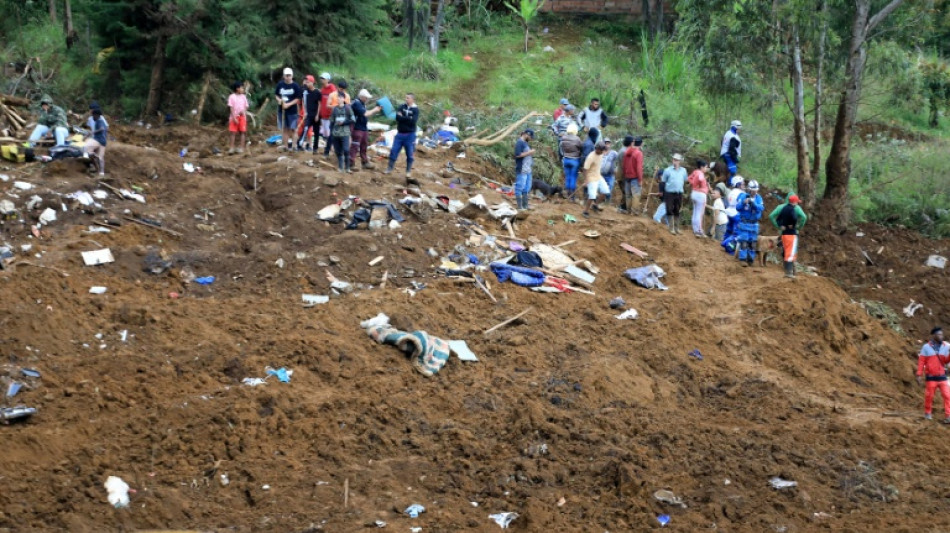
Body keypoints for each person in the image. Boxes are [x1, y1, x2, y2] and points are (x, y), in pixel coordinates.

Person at [769, 193, 808, 278]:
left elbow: (771, 216)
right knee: (792, 251)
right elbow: (804, 217)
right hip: (792, 233)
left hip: (783, 233)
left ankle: (787, 270)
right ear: (794, 201)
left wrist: (778, 226)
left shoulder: (781, 207)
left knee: (785, 251)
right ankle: (791, 272)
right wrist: (798, 227)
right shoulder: (796, 208)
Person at [917, 327, 950, 423]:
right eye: (939, 335)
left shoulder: (945, 346)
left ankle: (948, 416)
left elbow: (945, 361)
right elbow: (921, 361)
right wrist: (919, 374)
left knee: (947, 396)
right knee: (929, 396)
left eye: (942, 335)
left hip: (942, 377)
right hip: (931, 377)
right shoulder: (926, 347)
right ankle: (928, 413)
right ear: (934, 336)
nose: (941, 336)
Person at [385, 93, 420, 180]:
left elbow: (413, 121)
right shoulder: (402, 106)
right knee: (394, 150)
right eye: (406, 98)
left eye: (408, 98)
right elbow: (397, 118)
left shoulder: (416, 109)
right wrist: (408, 118)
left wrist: (403, 117)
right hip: (400, 133)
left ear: (412, 99)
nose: (406, 99)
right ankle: (389, 168)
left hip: (410, 135)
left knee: (409, 153)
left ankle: (408, 171)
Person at [734, 179, 764, 265]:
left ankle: (750, 259)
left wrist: (753, 204)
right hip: (744, 223)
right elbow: (737, 207)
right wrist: (744, 203)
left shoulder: (759, 198)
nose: (754, 192)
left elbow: (761, 208)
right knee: (744, 241)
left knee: (752, 243)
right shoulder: (743, 196)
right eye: (753, 190)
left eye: (756, 190)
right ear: (749, 189)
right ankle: (743, 259)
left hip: (754, 224)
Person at [350, 89, 381, 170]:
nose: (367, 99)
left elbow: (366, 112)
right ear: (362, 97)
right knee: (355, 145)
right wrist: (375, 110)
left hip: (363, 128)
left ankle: (365, 162)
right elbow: (365, 113)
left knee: (364, 145)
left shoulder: (362, 104)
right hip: (357, 128)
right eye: (366, 97)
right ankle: (351, 163)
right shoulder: (357, 103)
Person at [275, 68, 302, 151]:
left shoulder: (295, 86)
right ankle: (285, 146)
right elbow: (276, 95)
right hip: (282, 111)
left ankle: (294, 146)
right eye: (286, 75)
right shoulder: (280, 85)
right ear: (284, 76)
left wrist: (288, 104)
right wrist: (280, 101)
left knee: (293, 129)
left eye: (289, 75)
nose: (288, 77)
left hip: (292, 111)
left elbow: (298, 98)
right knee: (285, 129)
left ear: (292, 76)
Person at [660, 153, 688, 234]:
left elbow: (685, 180)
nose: (675, 161)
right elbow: (663, 182)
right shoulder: (667, 170)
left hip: (679, 192)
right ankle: (671, 228)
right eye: (674, 159)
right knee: (669, 209)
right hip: (669, 193)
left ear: (680, 161)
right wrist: (662, 192)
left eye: (677, 160)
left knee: (677, 209)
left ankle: (677, 228)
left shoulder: (683, 170)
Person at [329, 89, 355, 173]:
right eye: (338, 97)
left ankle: (347, 168)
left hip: (345, 133)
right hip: (336, 133)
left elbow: (353, 120)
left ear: (344, 99)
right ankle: (340, 167)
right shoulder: (334, 109)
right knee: (338, 151)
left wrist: (344, 123)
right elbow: (332, 121)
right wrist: (331, 133)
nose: (339, 99)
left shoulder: (348, 108)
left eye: (340, 97)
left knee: (346, 150)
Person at [582, 142, 609, 218]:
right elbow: (585, 169)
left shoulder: (600, 154)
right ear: (597, 149)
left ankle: (595, 205)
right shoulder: (590, 157)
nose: (603, 152)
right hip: (591, 177)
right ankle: (585, 211)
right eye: (602, 150)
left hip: (598, 176)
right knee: (592, 195)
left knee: (605, 191)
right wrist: (586, 180)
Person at [559, 123, 583, 200]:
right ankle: (572, 196)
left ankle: (567, 193)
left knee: (568, 177)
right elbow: (581, 148)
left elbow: (561, 148)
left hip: (566, 159)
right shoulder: (577, 139)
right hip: (575, 160)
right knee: (573, 178)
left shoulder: (563, 138)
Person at [620, 136, 644, 214]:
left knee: (628, 195)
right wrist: (640, 180)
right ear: (641, 144)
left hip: (627, 176)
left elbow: (624, 165)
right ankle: (634, 212)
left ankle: (628, 210)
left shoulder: (627, 151)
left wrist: (624, 174)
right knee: (636, 195)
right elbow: (639, 168)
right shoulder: (638, 153)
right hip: (635, 177)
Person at [514, 129, 536, 210]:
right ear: (526, 134)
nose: (531, 138)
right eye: (530, 137)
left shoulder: (525, 143)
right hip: (522, 168)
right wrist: (530, 152)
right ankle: (520, 207)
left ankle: (525, 205)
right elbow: (517, 155)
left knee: (527, 188)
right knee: (520, 187)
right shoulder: (519, 143)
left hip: (528, 169)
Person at [317, 72, 338, 157]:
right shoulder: (322, 89)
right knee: (325, 133)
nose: (322, 80)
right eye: (321, 78)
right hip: (323, 114)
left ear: (328, 79)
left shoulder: (332, 89)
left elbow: (335, 101)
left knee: (330, 133)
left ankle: (332, 150)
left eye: (324, 78)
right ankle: (329, 149)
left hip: (330, 115)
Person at [687, 159, 710, 237]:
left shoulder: (695, 172)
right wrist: (701, 184)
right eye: (706, 167)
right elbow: (700, 179)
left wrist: (694, 184)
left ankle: (695, 229)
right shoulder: (701, 173)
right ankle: (699, 230)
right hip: (700, 194)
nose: (706, 169)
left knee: (695, 212)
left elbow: (689, 178)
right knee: (699, 213)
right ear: (702, 167)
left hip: (694, 193)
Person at [83, 107, 108, 175]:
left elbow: (101, 129)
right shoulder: (103, 122)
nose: (92, 117)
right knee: (101, 157)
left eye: (93, 115)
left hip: (98, 140)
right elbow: (104, 130)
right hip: (103, 142)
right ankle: (101, 172)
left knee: (86, 147)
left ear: (96, 115)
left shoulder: (99, 121)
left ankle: (91, 154)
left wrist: (91, 133)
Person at [300, 75, 321, 152]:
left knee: (316, 132)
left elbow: (319, 104)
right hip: (308, 115)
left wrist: (317, 115)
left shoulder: (317, 92)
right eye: (306, 82)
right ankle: (300, 144)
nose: (307, 84)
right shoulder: (305, 92)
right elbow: (303, 101)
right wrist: (305, 111)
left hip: (315, 115)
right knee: (305, 129)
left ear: (312, 83)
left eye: (308, 82)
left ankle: (315, 148)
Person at [227, 82, 249, 154]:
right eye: (242, 88)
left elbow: (246, 106)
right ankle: (231, 147)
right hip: (234, 117)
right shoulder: (231, 97)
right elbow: (231, 108)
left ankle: (242, 147)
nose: (243, 89)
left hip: (242, 117)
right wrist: (234, 117)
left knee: (242, 132)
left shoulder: (243, 97)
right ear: (237, 89)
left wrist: (244, 112)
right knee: (233, 132)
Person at [599, 138, 620, 207]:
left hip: (610, 175)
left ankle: (607, 202)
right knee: (601, 188)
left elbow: (620, 159)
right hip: (601, 175)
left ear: (610, 144)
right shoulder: (600, 152)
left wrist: (616, 168)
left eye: (608, 143)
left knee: (609, 188)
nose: (607, 145)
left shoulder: (613, 153)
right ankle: (600, 201)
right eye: (606, 143)